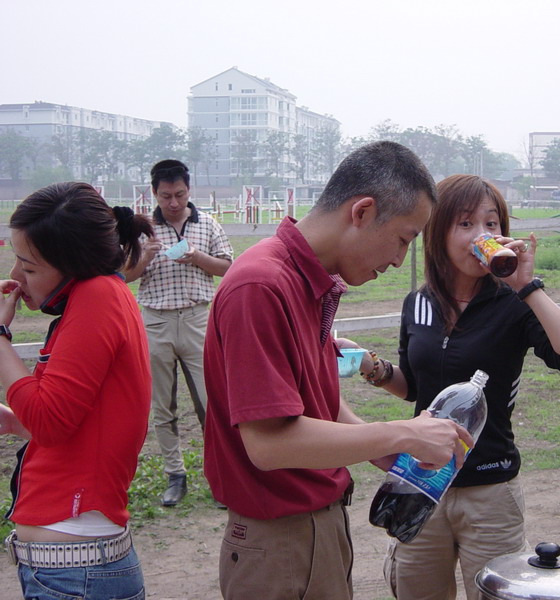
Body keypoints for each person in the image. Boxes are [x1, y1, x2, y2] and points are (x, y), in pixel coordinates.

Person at [203, 141, 474, 600]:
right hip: (281, 543)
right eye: (405, 238)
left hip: (311, 530)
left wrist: (389, 456)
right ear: (363, 212)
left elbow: (314, 404)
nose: (398, 260)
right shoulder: (262, 285)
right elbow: (270, 444)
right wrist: (403, 433)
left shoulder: (304, 279)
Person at [340, 174, 560, 600]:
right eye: (466, 224)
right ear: (438, 233)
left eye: (492, 224)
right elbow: (416, 389)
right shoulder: (417, 303)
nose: (483, 235)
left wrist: (527, 287)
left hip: (490, 491)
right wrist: (371, 365)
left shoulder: (515, 303)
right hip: (420, 482)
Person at [0, 182, 153, 600]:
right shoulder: (100, 296)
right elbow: (83, 424)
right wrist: (15, 422)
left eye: (29, 269)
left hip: (76, 569)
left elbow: (50, 420)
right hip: (75, 567)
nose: (16, 278)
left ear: (74, 266)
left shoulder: (97, 296)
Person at [124, 159, 233, 507]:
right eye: (166, 195)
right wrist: (144, 256)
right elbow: (122, 276)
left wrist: (197, 256)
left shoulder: (208, 224)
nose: (173, 202)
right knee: (163, 404)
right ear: (154, 193)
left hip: (198, 319)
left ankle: (221, 475)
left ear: (190, 190)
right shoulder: (141, 230)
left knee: (211, 402)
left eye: (180, 194)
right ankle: (175, 475)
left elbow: (228, 268)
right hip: (155, 321)